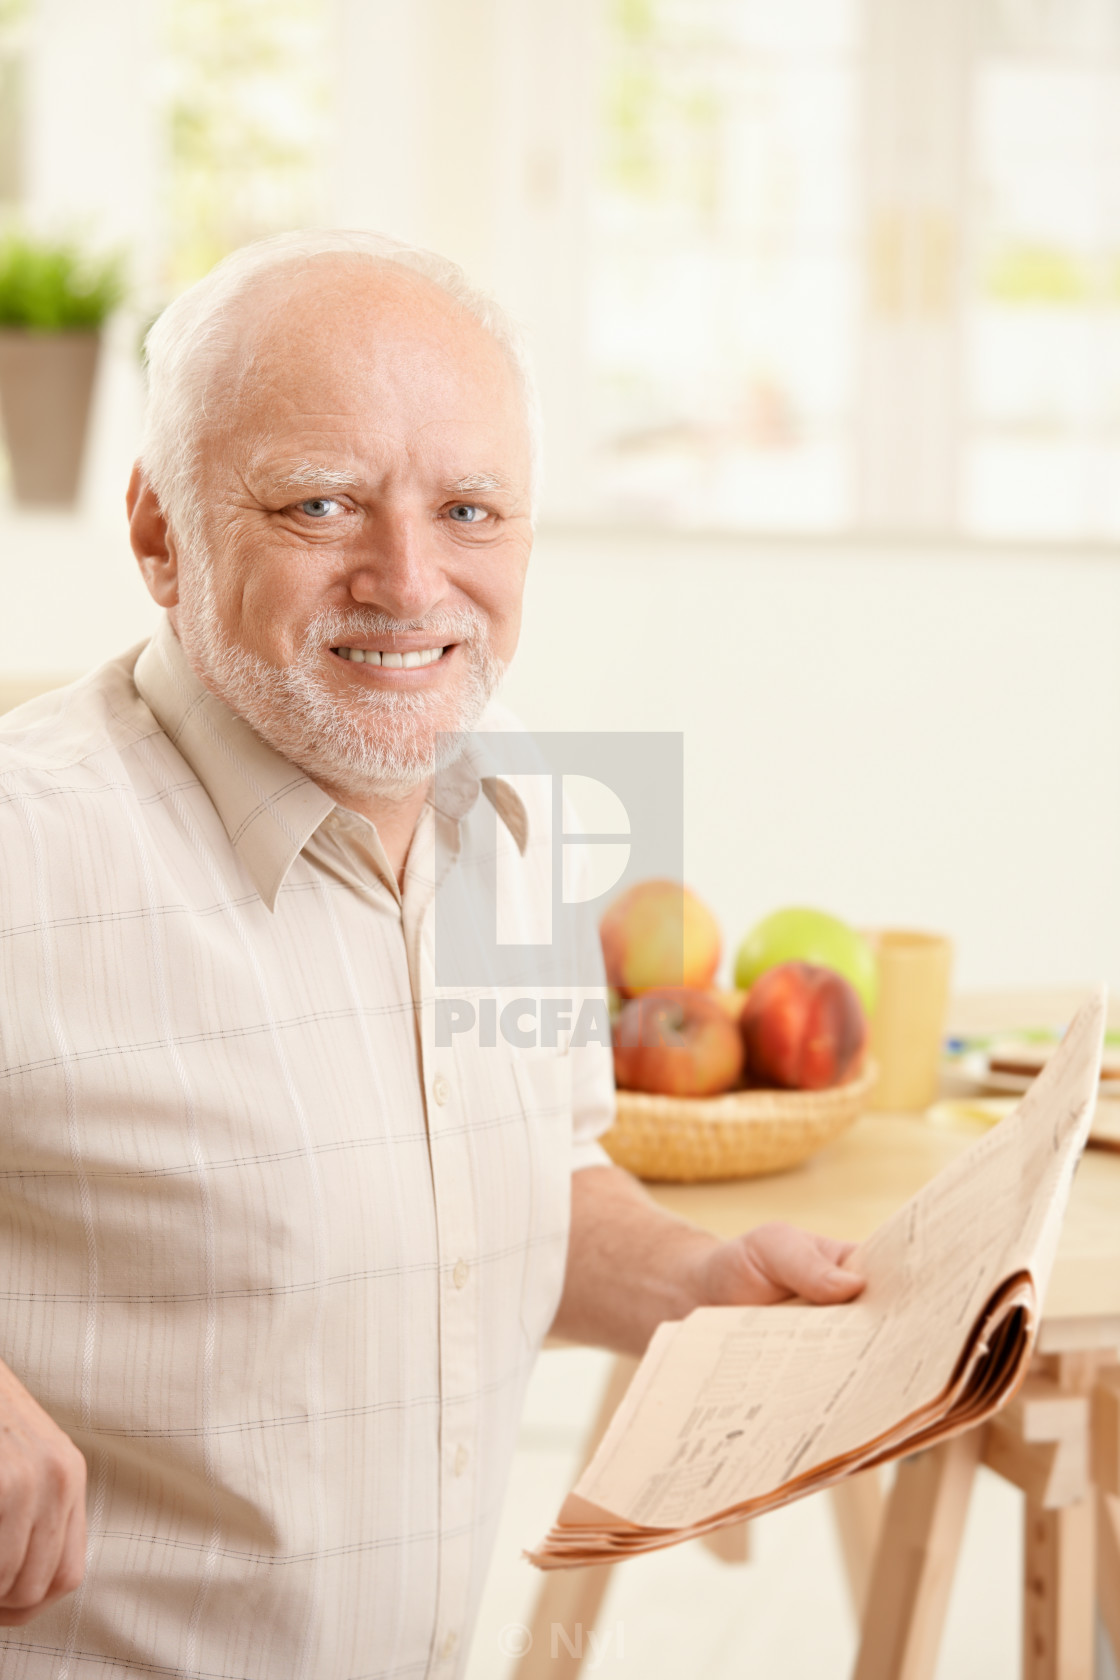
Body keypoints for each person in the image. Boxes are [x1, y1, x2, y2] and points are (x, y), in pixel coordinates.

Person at [0, 229, 864, 1678]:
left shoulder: (508, 801)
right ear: (159, 534)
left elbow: (511, 1181)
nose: (408, 581)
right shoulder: (27, 842)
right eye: (320, 503)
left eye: (470, 509)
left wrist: (695, 1282)